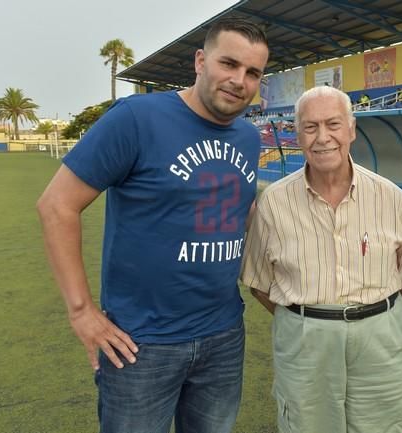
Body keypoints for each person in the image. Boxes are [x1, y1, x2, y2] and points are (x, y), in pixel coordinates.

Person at [36, 18, 269, 433]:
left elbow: (240, 213)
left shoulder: (248, 138)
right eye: (229, 64)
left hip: (224, 335)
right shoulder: (136, 118)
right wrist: (82, 312)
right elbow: (56, 206)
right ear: (200, 61)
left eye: (252, 72)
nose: (239, 80)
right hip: (141, 343)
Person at [241, 86, 402, 433]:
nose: (322, 137)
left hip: (380, 339)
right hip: (305, 341)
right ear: (297, 135)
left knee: (387, 425)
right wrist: (311, 318)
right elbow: (260, 283)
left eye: (333, 125)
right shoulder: (274, 203)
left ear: (352, 129)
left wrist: (365, 315)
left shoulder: (391, 197)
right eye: (310, 127)